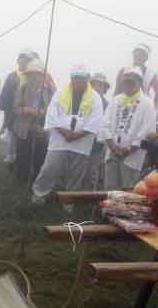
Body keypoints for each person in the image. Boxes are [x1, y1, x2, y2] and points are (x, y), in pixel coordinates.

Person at [32, 64, 104, 209]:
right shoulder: (60, 92)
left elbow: (96, 120)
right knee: (49, 168)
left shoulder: (95, 97)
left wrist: (78, 134)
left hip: (82, 141)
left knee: (76, 174)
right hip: (60, 139)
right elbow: (52, 114)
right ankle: (39, 194)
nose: (78, 81)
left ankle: (68, 202)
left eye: (82, 78)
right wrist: (64, 131)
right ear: (71, 78)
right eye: (76, 78)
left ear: (87, 79)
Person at [99, 67, 157, 190]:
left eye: (132, 82)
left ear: (140, 83)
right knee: (110, 187)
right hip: (112, 152)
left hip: (132, 155)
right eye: (126, 81)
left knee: (129, 188)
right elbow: (104, 124)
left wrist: (130, 149)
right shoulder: (115, 100)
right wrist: (113, 146)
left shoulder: (147, 103)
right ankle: (107, 210)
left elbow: (148, 131)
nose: (128, 85)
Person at [11, 60, 54, 185]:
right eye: (31, 74)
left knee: (40, 156)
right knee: (23, 154)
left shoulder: (50, 89)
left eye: (37, 74)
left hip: (41, 127)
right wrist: (25, 109)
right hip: (23, 128)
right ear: (27, 75)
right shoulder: (22, 88)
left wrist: (42, 112)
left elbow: (53, 109)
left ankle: (36, 179)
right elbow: (15, 108)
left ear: (42, 75)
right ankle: (21, 180)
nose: (34, 77)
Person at [86, 72, 112, 189]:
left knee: (94, 168)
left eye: (101, 85)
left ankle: (91, 192)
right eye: (95, 84)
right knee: (80, 167)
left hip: (98, 141)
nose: (97, 87)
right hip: (82, 138)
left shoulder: (107, 104)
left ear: (105, 88)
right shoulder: (85, 100)